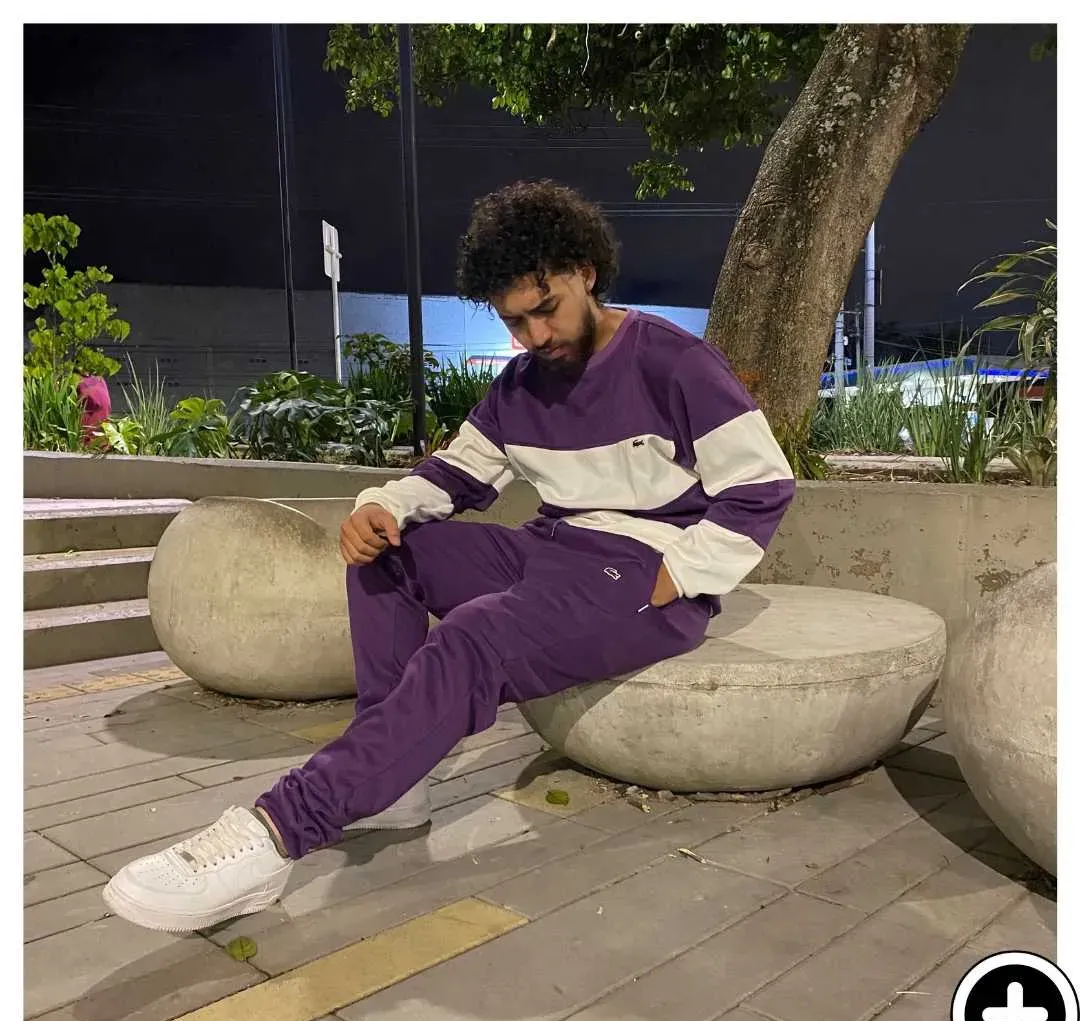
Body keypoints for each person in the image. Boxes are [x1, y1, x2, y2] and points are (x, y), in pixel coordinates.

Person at [101, 180, 796, 933]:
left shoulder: (673, 362)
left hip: (640, 570)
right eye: (514, 321)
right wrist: (383, 507)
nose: (534, 336)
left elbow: (763, 485)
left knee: (474, 638)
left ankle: (277, 831)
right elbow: (455, 473)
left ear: (586, 273)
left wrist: (679, 575)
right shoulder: (520, 388)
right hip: (550, 549)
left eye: (546, 308)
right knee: (387, 555)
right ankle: (394, 787)